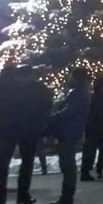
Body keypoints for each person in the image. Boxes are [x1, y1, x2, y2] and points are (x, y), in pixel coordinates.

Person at [0, 65, 52, 204]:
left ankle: (3, 196)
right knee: (26, 163)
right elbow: (45, 108)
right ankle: (23, 195)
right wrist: (41, 126)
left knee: (3, 164)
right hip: (28, 130)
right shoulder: (37, 89)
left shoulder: (7, 89)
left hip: (7, 130)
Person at [48, 67, 91, 204]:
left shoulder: (79, 93)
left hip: (69, 132)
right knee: (67, 165)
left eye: (71, 76)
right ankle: (66, 196)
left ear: (77, 78)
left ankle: (66, 197)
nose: (68, 79)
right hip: (69, 132)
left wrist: (54, 117)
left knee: (68, 165)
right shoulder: (80, 92)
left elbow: (69, 111)